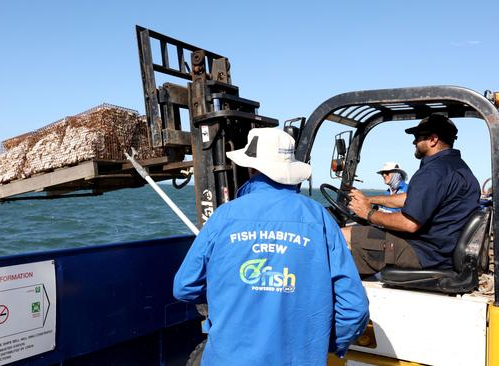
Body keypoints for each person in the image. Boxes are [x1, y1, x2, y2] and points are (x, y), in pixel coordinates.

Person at [173, 128, 369, 365]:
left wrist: (229, 292)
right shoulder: (320, 219)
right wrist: (322, 345)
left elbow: (184, 287)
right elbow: (354, 308)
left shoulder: (224, 217)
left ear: (251, 168)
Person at [343, 114, 480, 276]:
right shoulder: (457, 168)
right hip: (441, 251)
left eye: (417, 137)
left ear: (433, 140)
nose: (414, 142)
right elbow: (412, 199)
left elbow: (409, 223)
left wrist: (368, 213)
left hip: (423, 253)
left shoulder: (433, 172)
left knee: (340, 235)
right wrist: (369, 200)